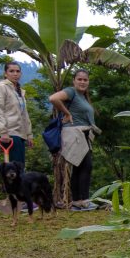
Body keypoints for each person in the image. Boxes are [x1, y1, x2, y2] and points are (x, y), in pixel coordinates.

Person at [49, 69, 100, 211]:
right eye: (80, 79)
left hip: (83, 134)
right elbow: (53, 98)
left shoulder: (83, 96)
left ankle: (78, 200)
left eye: (85, 80)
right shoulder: (71, 92)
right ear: (74, 80)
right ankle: (82, 200)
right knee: (85, 166)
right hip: (75, 133)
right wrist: (66, 113)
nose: (82, 82)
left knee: (80, 167)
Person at [0, 62, 34, 166]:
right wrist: (3, 132)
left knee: (19, 166)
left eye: (18, 71)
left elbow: (24, 114)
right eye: (11, 71)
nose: (15, 74)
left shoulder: (19, 92)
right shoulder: (0, 87)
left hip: (19, 133)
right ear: (5, 73)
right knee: (13, 168)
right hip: (7, 133)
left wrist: (29, 134)